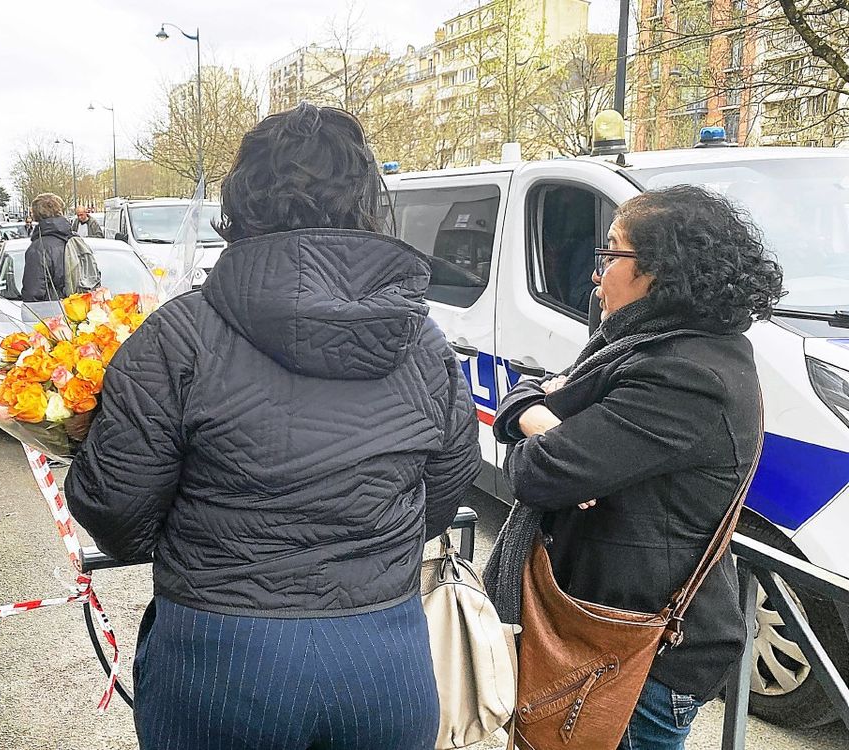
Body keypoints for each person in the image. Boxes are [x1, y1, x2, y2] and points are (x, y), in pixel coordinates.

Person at [65, 103, 482, 749]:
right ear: (368, 201)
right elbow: (443, 494)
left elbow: (119, 515)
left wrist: (87, 441)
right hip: (382, 659)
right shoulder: (425, 343)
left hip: (224, 659)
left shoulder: (180, 335)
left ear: (240, 202)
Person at [487, 186, 784, 750]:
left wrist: (544, 427)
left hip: (634, 655)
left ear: (661, 270)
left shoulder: (685, 374)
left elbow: (535, 474)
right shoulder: (640, 346)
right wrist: (538, 418)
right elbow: (531, 399)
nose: (596, 275)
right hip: (599, 628)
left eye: (611, 254)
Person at [21, 193, 73, 302]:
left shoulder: (39, 248)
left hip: (52, 313)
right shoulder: (75, 240)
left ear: (35, 215)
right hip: (79, 310)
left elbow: (33, 293)